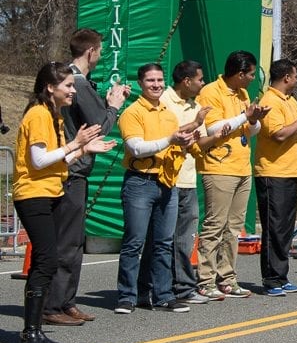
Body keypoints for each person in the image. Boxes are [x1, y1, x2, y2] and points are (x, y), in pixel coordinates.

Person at [13, 62, 114, 343]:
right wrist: (75, 143)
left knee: (47, 260)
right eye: (68, 85)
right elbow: (39, 161)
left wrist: (83, 149)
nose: (73, 90)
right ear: (50, 87)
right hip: (33, 195)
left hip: (50, 191)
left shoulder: (53, 115)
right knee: (45, 260)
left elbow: (56, 161)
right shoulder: (38, 115)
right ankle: (29, 333)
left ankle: (35, 330)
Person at [45, 28, 131, 327]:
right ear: (91, 51)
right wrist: (114, 106)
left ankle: (66, 302)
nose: (102, 54)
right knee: (66, 242)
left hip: (72, 168)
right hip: (71, 170)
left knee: (72, 241)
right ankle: (52, 305)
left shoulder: (72, 81)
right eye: (100, 50)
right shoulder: (77, 83)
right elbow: (100, 127)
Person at [114, 63, 199, 314]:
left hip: (167, 183)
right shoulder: (132, 113)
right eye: (150, 80)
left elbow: (172, 146)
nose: (156, 85)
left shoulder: (169, 114)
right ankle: (126, 296)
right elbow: (137, 148)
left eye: (160, 80)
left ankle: (163, 294)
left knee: (164, 243)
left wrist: (184, 142)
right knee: (134, 242)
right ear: (141, 83)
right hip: (140, 182)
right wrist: (171, 139)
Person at [195, 50, 269, 300]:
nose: (251, 79)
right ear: (239, 74)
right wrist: (244, 117)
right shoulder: (211, 91)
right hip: (218, 167)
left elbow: (251, 130)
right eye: (249, 74)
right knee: (214, 225)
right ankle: (206, 279)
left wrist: (255, 120)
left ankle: (227, 277)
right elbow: (214, 127)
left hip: (241, 167)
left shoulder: (243, 94)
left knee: (233, 228)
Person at [254, 59, 297, 296]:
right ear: (286, 77)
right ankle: (271, 279)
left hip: (291, 171)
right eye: (295, 76)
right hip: (273, 172)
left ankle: (281, 275)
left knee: (284, 228)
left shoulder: (291, 100)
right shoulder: (269, 101)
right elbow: (279, 135)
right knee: (274, 227)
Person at [154, 60, 212, 305]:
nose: (203, 83)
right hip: (167, 178)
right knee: (165, 238)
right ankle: (164, 288)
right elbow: (165, 136)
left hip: (189, 178)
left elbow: (201, 142)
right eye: (200, 79)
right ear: (186, 81)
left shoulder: (196, 105)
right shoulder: (164, 101)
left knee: (185, 237)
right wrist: (193, 127)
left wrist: (227, 130)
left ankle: (184, 287)